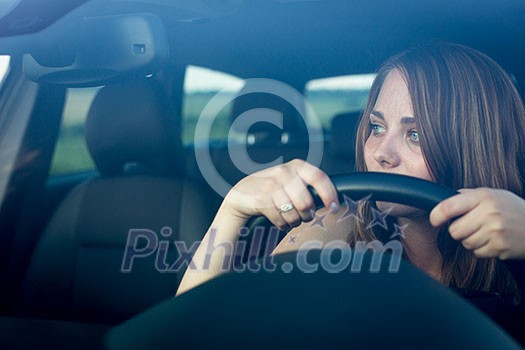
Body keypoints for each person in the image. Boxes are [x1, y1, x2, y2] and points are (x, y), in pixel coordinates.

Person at [176, 42, 525, 339]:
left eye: (414, 134)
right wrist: (233, 209)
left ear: (470, 146)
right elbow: (190, 338)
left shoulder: (517, 233)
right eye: (376, 126)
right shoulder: (336, 230)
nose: (381, 153)